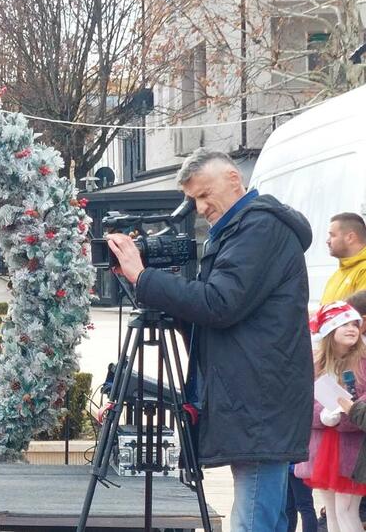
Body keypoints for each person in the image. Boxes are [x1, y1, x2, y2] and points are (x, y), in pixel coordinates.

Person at [105, 148, 313, 530]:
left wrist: (144, 277)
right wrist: (157, 289)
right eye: (194, 199)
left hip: (260, 402)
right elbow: (212, 313)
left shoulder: (259, 228)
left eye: (204, 195)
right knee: (264, 516)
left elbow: (219, 302)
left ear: (234, 180)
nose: (200, 208)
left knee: (253, 520)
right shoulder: (241, 229)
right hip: (256, 398)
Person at [293, 302, 365, 532]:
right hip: (322, 446)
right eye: (344, 323)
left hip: (352, 447)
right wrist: (322, 417)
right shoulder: (315, 364)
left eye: (355, 324)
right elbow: (301, 403)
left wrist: (344, 416)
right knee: (331, 511)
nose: (352, 328)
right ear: (329, 329)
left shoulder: (364, 363)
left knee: (346, 510)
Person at [323, 213, 366, 305]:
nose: (327, 241)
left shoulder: (363, 270)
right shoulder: (336, 276)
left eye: (332, 235)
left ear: (350, 238)